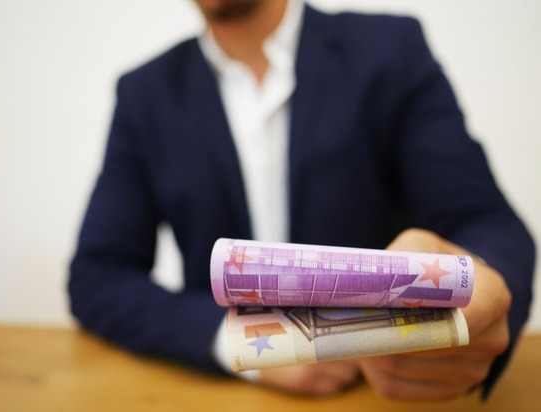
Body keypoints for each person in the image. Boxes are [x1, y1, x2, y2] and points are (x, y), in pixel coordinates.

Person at [69, 0, 535, 401]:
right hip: (222, 397)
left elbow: (486, 221)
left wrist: (483, 291)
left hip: (380, 393)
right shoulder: (144, 94)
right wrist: (245, 345)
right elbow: (97, 275)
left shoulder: (390, 50)